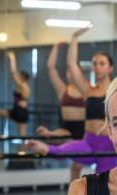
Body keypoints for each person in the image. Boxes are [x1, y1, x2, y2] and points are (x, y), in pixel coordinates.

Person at [25, 27, 117, 177]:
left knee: (105, 186)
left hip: (107, 144)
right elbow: (72, 64)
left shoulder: (116, 90)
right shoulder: (88, 90)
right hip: (88, 141)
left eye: (102, 64)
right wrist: (74, 37)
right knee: (62, 151)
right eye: (95, 64)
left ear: (110, 68)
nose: (97, 67)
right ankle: (42, 147)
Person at [36, 41, 86, 182]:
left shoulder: (86, 91)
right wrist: (55, 47)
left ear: (79, 74)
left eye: (73, 72)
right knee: (74, 167)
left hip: (83, 131)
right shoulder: (63, 90)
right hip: (67, 131)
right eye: (68, 72)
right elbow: (51, 67)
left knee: (76, 166)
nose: (70, 75)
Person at [7, 51, 30, 137]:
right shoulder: (22, 85)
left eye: (19, 75)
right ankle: (22, 149)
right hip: (19, 109)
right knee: (21, 131)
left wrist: (12, 58)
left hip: (21, 110)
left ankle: (23, 149)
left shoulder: (23, 85)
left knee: (22, 132)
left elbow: (13, 72)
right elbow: (14, 74)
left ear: (23, 77)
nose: (17, 76)